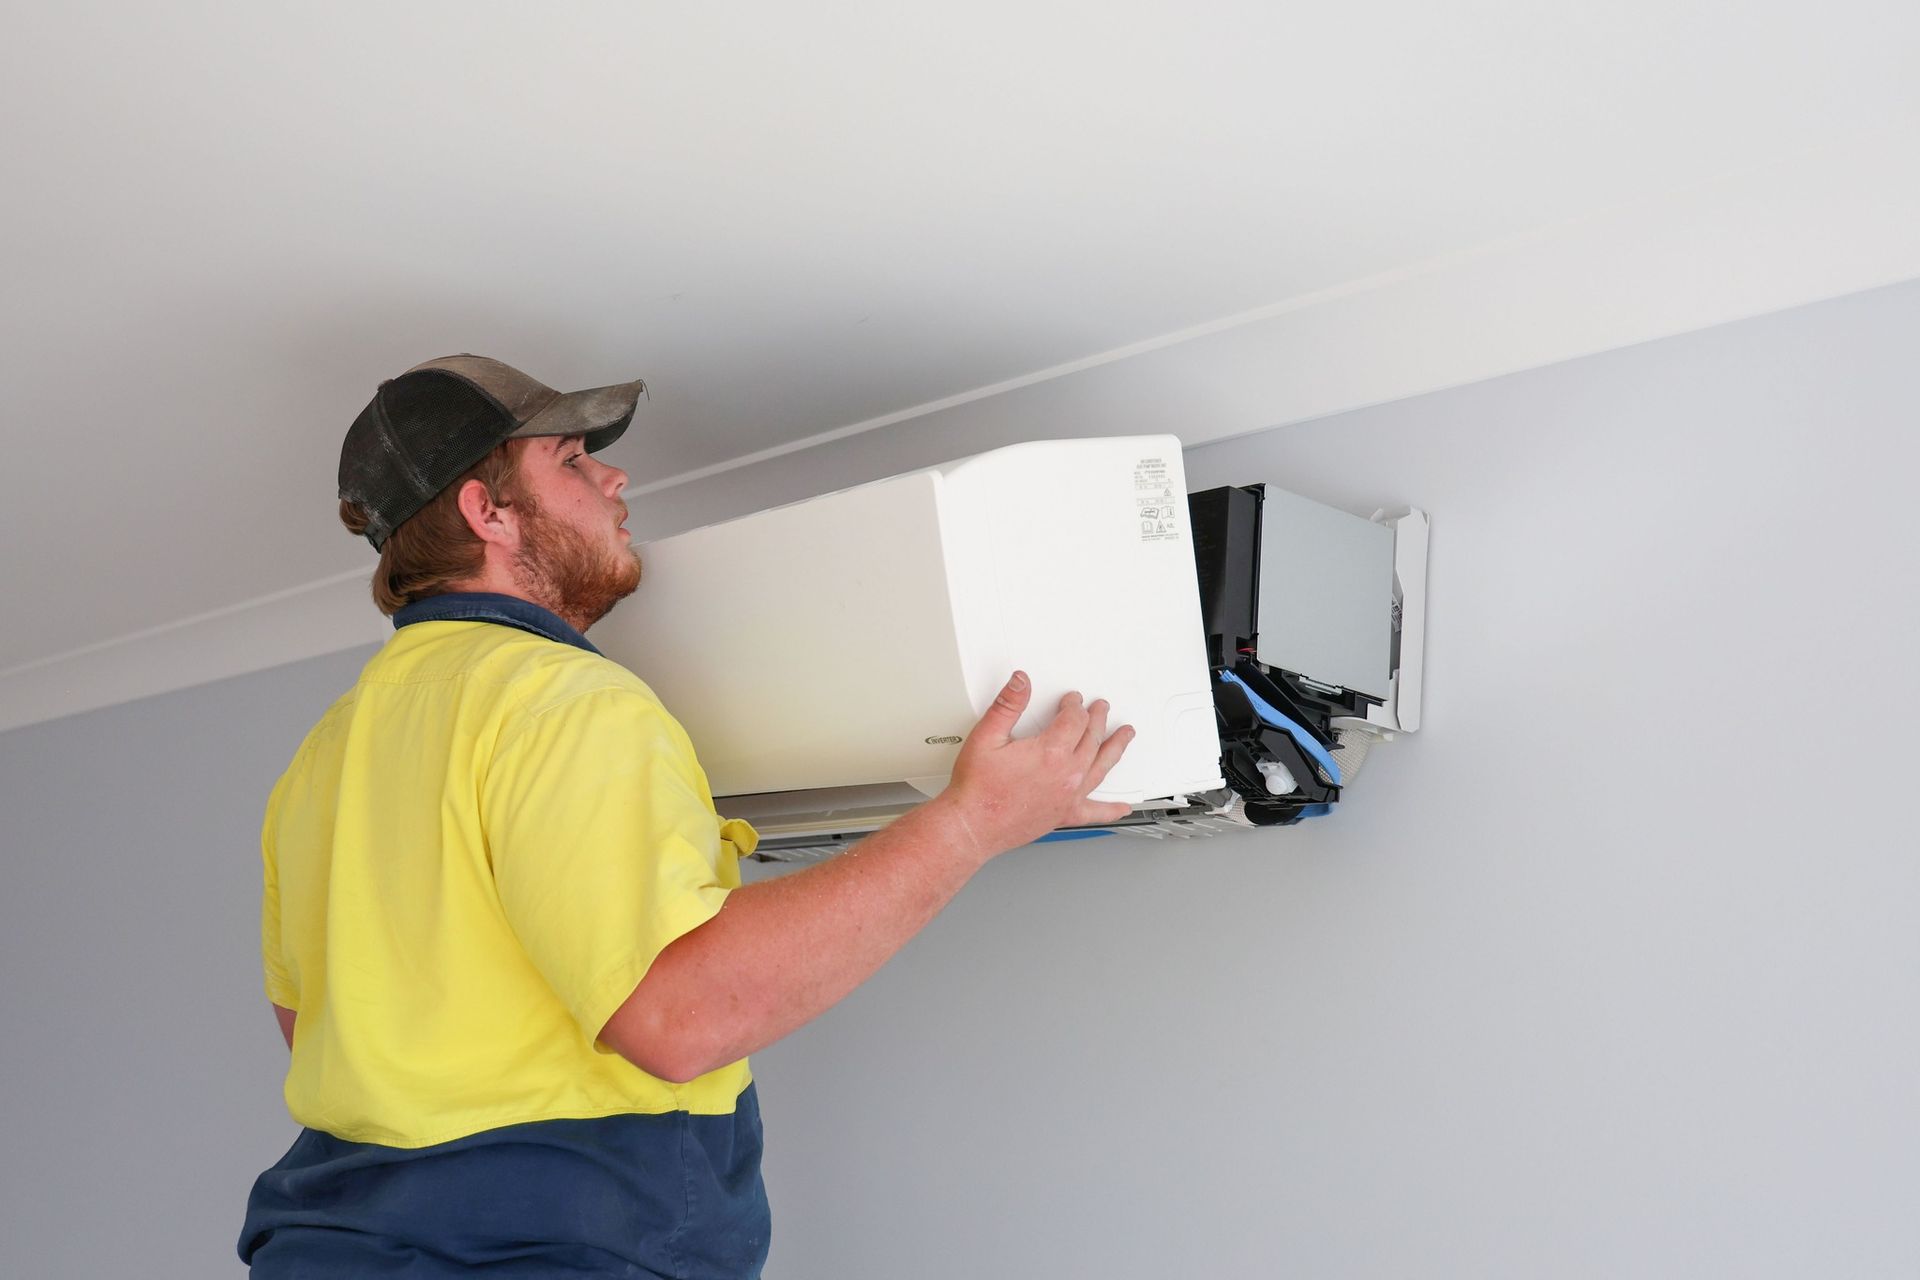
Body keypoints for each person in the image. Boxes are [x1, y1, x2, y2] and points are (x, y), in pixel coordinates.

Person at [237, 354, 1135, 1277]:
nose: (614, 479)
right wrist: (973, 822)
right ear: (487, 511)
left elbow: (317, 1034)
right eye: (574, 461)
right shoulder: (562, 700)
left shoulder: (324, 755)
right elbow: (678, 1017)